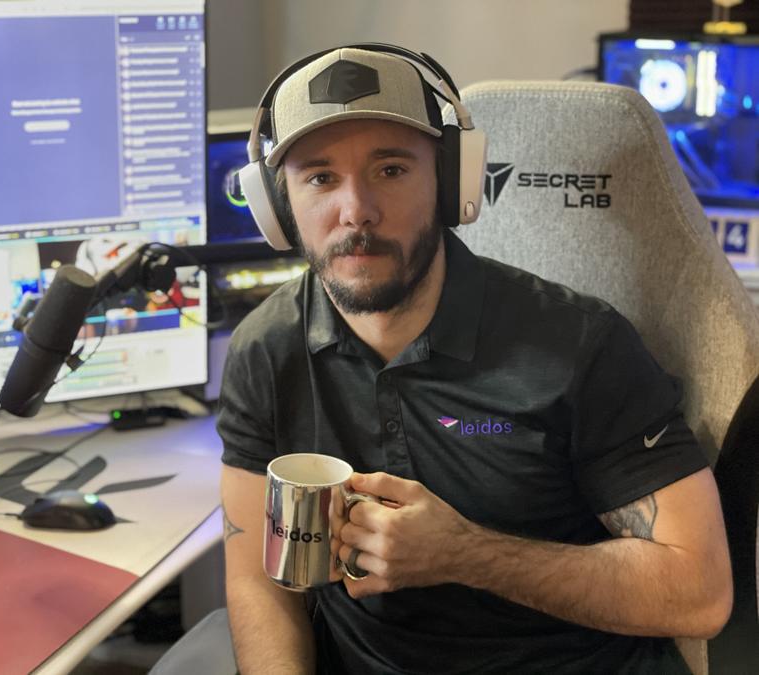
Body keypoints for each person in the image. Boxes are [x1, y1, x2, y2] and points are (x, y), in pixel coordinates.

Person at [217, 45, 732, 674]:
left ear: (452, 182)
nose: (356, 211)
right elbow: (257, 579)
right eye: (320, 177)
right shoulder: (265, 350)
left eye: (391, 170)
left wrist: (465, 554)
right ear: (277, 206)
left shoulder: (579, 345)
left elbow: (699, 592)